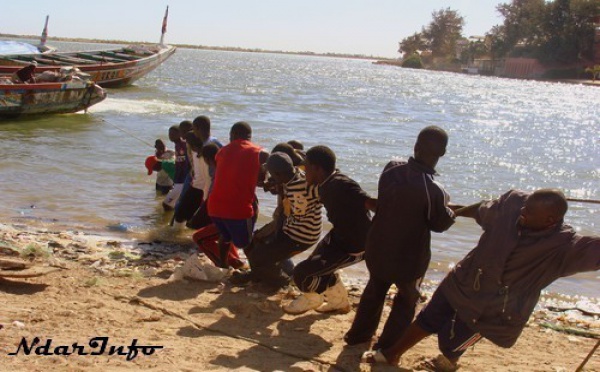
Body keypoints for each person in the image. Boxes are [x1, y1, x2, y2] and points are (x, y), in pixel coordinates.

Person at [364, 189, 600, 370]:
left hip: (492, 309)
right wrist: (454, 213)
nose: (522, 214)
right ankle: (392, 353)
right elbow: (482, 209)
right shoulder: (512, 205)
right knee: (429, 317)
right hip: (464, 280)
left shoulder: (566, 248)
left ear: (550, 220)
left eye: (529, 214)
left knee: (450, 341)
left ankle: (448, 362)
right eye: (524, 208)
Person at [345, 126, 456, 350]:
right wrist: (452, 212)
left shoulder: (391, 169)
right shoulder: (435, 190)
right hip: (409, 259)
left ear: (416, 146)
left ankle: (358, 336)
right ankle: (386, 347)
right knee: (407, 300)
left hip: (378, 248)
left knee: (375, 290)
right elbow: (439, 224)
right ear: (443, 153)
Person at [283, 145, 376, 314]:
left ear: (317, 168)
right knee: (314, 266)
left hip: (354, 245)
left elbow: (371, 203)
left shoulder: (341, 185)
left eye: (306, 168)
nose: (304, 172)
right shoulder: (325, 179)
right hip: (338, 235)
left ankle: (314, 298)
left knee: (301, 274)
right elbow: (305, 159)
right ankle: (338, 302)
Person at [230, 152, 322, 289]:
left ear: (279, 175)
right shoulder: (294, 175)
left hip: (301, 237)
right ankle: (257, 275)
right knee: (257, 244)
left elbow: (322, 191)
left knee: (257, 256)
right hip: (292, 229)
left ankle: (280, 281)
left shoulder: (303, 186)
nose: (271, 177)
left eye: (272, 175)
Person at [207, 121, 269, 268]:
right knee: (246, 243)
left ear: (233, 135)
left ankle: (223, 265)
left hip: (214, 208)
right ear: (249, 136)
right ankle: (257, 270)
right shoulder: (260, 152)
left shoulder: (221, 152)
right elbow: (261, 179)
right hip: (237, 210)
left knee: (225, 236)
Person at [163, 124, 190, 211]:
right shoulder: (177, 145)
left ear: (180, 134)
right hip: (178, 179)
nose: (171, 136)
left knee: (166, 204)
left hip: (184, 179)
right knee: (175, 203)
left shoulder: (184, 145)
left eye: (173, 134)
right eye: (169, 133)